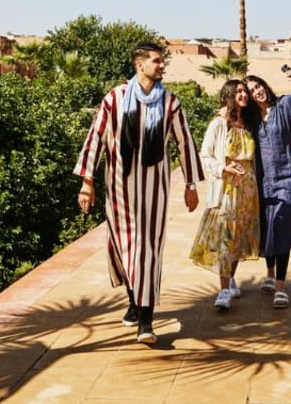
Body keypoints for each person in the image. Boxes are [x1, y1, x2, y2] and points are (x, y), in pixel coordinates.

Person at [76, 43, 202, 345]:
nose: (162, 66)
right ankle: (134, 300)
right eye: (156, 61)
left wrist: (191, 184)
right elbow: (96, 138)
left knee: (147, 250)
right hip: (119, 188)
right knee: (123, 247)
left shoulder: (170, 102)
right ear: (140, 65)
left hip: (154, 190)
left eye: (162, 61)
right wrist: (87, 182)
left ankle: (146, 321)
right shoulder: (115, 98)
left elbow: (184, 142)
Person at [190, 79, 261, 311]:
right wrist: (223, 169)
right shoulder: (219, 124)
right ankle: (223, 291)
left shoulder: (248, 122)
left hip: (248, 188)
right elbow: (206, 155)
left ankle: (229, 279)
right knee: (225, 238)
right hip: (227, 188)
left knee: (239, 238)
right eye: (238, 91)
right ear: (229, 95)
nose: (244, 94)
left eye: (245, 91)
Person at [248, 68, 291, 309]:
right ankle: (270, 272)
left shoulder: (284, 106)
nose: (258, 91)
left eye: (259, 86)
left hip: (288, 179)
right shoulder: (251, 119)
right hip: (263, 181)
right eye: (252, 90)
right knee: (268, 228)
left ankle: (281, 287)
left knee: (282, 229)